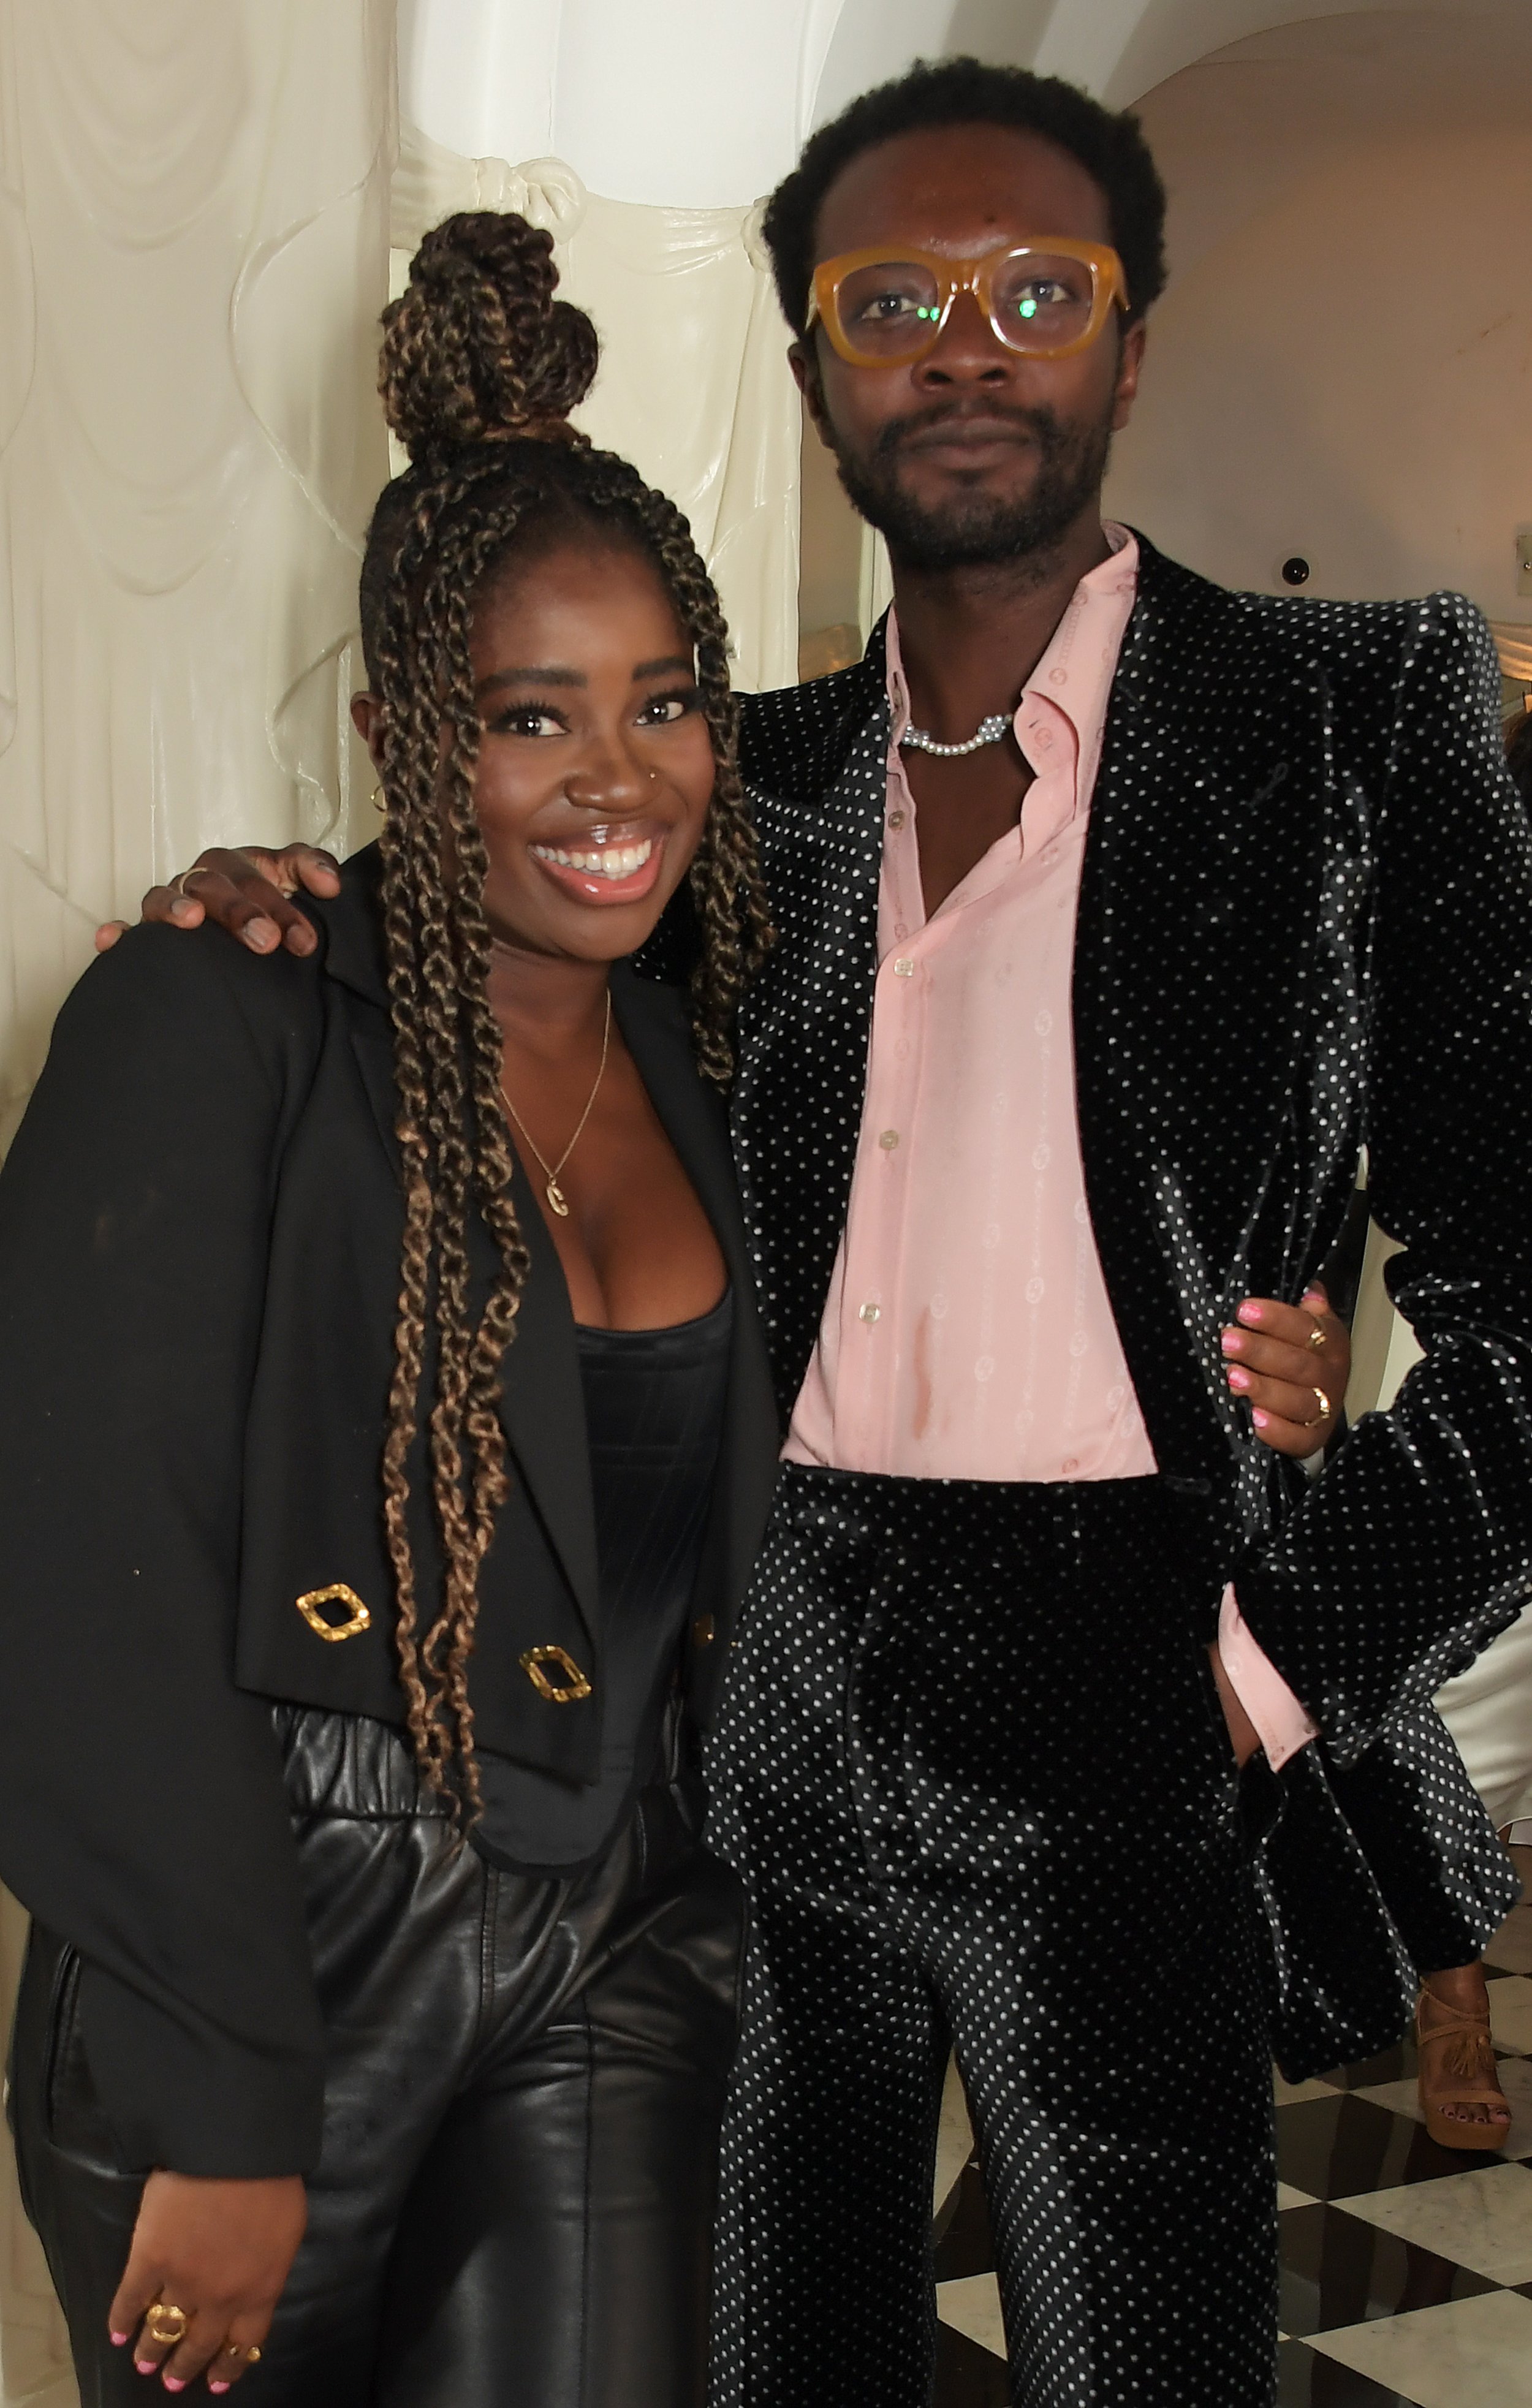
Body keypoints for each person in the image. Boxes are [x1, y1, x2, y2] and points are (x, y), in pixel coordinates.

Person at [113, 58, 1532, 2408]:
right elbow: (500, 991)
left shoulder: (1348, 717)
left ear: (1130, 339)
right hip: (746, 1668)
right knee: (755, 2345)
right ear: (812, 371)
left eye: (1032, 289)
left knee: (1142, 2356)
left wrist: (1259, 1665)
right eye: (894, 298)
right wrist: (290, 912)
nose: (963, 342)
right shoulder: (731, 773)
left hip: (1128, 1659)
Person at [0, 213, 783, 2406]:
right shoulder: (219, 1017)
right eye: (527, 716)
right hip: (282, 1923)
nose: (613, 781)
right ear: (390, 728)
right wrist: (228, 2088)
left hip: (623, 1913)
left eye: (661, 703)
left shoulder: (709, 1051)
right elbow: (73, 1568)